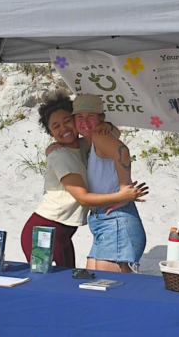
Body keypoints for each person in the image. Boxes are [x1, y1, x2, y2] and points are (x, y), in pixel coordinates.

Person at [21, 94, 147, 268]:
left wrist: (105, 125)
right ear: (50, 133)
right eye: (56, 126)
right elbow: (83, 197)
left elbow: (111, 137)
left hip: (66, 231)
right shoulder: (60, 155)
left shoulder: (83, 145)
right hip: (45, 228)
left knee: (68, 282)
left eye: (67, 121)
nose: (63, 128)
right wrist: (123, 194)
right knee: (51, 283)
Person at [72, 94, 147, 273]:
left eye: (91, 116)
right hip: (105, 223)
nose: (85, 122)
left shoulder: (99, 136)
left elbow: (123, 152)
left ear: (101, 118)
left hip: (116, 221)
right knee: (96, 287)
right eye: (79, 117)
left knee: (112, 290)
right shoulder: (95, 138)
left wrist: (124, 192)